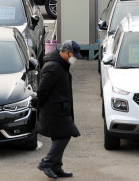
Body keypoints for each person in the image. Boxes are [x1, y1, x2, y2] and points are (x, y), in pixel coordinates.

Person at [37, 40, 82, 179]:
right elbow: (42, 91)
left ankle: (56, 166)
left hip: (60, 109)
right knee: (65, 135)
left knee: (60, 136)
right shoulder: (54, 67)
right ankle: (47, 163)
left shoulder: (61, 65)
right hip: (54, 111)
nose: (74, 59)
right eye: (73, 55)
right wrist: (41, 108)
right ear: (67, 52)